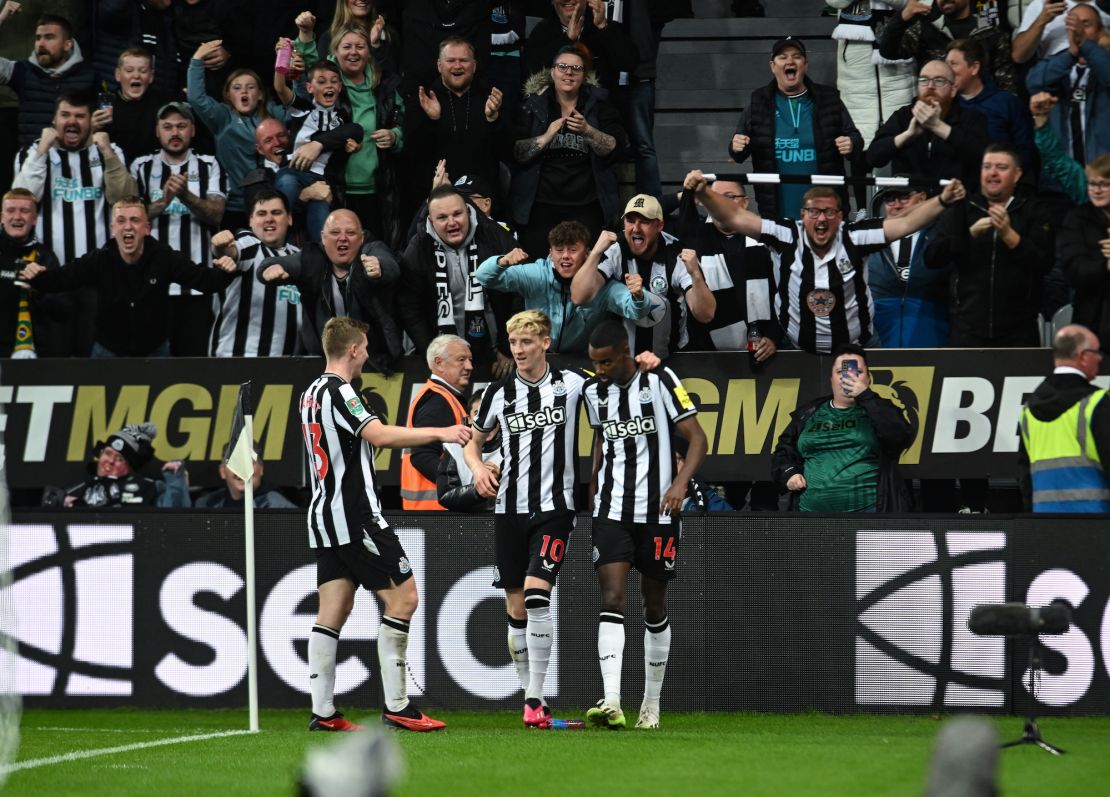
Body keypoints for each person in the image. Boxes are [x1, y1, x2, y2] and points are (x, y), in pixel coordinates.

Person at [300, 315, 470, 733]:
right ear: (354, 349)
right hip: (357, 516)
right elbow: (379, 437)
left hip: (324, 514)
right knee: (404, 599)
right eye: (366, 347)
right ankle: (398, 705)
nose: (369, 355)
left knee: (333, 610)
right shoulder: (341, 391)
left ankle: (323, 713)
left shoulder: (309, 393)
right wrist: (442, 433)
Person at [462, 310, 592, 729]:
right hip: (508, 509)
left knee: (538, 595)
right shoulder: (499, 393)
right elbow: (474, 442)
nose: (518, 350)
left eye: (527, 342)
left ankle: (535, 697)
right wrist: (479, 468)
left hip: (555, 507)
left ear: (545, 343)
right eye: (514, 343)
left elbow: (615, 391)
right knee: (516, 606)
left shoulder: (572, 383)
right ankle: (532, 703)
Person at [684, 169, 966, 354]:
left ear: (841, 217)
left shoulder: (856, 236)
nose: (821, 219)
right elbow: (735, 217)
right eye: (814, 212)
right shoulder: (786, 233)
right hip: (797, 350)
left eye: (829, 212)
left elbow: (905, 223)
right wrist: (704, 193)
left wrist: (943, 200)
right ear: (802, 214)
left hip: (858, 348)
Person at [581, 319, 707, 731]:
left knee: (653, 604)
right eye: (594, 363)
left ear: (625, 352)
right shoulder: (592, 393)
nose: (600, 370)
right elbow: (600, 444)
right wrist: (593, 493)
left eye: (606, 361)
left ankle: (651, 704)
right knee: (612, 598)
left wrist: (680, 483)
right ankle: (613, 700)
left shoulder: (660, 380)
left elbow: (698, 438)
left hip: (659, 515)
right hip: (612, 511)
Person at [17, 197, 238, 358]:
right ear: (113, 229)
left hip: (155, 351)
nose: (128, 226)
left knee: (157, 421)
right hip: (107, 352)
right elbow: (61, 279)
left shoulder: (163, 256)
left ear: (146, 228)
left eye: (134, 220)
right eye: (121, 221)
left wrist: (226, 268)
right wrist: (36, 277)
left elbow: (205, 281)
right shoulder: (100, 259)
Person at [924, 143, 1054, 347]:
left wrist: (1009, 235)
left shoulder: (1035, 210)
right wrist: (969, 235)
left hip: (1019, 330)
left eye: (1001, 168)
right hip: (967, 328)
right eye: (987, 167)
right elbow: (931, 257)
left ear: (1017, 174)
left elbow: (1044, 262)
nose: (992, 173)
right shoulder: (962, 208)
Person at [509, 44, 626, 259]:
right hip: (540, 206)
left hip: (587, 205)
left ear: (584, 75)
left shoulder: (599, 105)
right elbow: (516, 153)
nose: (569, 72)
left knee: (586, 269)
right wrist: (545, 138)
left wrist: (587, 131)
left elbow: (614, 147)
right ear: (552, 72)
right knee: (540, 269)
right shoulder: (531, 106)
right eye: (562, 67)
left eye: (576, 68)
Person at [729, 36, 864, 220]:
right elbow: (738, 152)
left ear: (805, 65)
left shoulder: (829, 99)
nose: (790, 61)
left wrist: (852, 143)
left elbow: (855, 138)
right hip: (777, 214)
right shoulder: (758, 101)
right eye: (783, 57)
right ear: (772, 66)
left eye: (797, 56)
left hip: (826, 214)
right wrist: (736, 145)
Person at [131, 101, 227, 356]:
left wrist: (186, 196)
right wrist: (164, 201)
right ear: (157, 131)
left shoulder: (209, 164)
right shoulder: (141, 166)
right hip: (151, 285)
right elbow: (131, 220)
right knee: (150, 360)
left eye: (181, 126)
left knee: (193, 360)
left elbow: (216, 214)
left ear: (192, 130)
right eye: (168, 127)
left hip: (197, 285)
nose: (175, 132)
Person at [476, 219, 658, 354]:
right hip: (539, 360)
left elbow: (637, 311)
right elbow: (484, 276)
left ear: (587, 254)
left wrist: (638, 296)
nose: (565, 256)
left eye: (572, 250)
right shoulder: (536, 275)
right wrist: (502, 261)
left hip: (582, 364)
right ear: (550, 253)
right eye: (559, 250)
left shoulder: (599, 284)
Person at [771, 343, 914, 512]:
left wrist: (866, 396)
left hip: (868, 513)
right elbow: (783, 451)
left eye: (857, 372)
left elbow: (900, 436)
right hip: (810, 515)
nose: (848, 377)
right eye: (841, 372)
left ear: (868, 379)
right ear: (831, 379)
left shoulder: (879, 410)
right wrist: (789, 473)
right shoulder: (808, 413)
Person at [570, 194, 716, 358]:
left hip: (673, 358)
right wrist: (596, 252)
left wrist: (696, 274)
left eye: (645, 222)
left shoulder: (677, 254)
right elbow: (578, 297)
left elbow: (705, 315)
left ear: (659, 225)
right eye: (630, 221)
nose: (636, 228)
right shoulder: (615, 249)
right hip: (625, 360)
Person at [259, 208, 401, 369]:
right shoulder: (312, 258)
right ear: (323, 238)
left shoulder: (371, 251)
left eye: (351, 233)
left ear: (362, 238)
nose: (343, 238)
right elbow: (285, 263)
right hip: (323, 361)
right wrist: (269, 267)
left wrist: (380, 267)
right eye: (335, 232)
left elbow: (390, 265)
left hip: (375, 361)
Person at [397, 185, 517, 375]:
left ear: (468, 212)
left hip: (496, 355)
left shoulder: (494, 236)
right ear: (431, 221)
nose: (452, 222)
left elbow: (517, 295)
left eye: (457, 214)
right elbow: (410, 308)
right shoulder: (418, 248)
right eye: (442, 218)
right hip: (445, 359)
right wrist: (433, 355)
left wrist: (508, 346)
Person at [12, 91, 137, 265]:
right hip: (47, 269)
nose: (72, 121)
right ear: (54, 120)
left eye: (80, 116)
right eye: (65, 115)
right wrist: (41, 152)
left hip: (99, 270)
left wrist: (108, 153)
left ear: (91, 122)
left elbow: (125, 201)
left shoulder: (110, 151)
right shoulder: (31, 153)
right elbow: (21, 203)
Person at [187, 42, 287, 231]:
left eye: (250, 87)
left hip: (273, 205)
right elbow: (196, 98)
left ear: (259, 95)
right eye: (237, 87)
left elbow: (298, 111)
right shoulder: (222, 118)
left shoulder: (273, 114)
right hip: (234, 207)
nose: (244, 91)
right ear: (227, 95)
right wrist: (197, 59)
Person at [408, 37, 507, 211]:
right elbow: (411, 153)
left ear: (474, 66)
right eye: (451, 61)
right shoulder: (424, 98)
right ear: (439, 65)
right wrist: (431, 121)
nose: (457, 66)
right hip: (437, 199)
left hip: (483, 199)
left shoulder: (491, 98)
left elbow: (507, 151)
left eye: (463, 60)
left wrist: (494, 120)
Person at [272, 57, 365, 242]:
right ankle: (274, 232)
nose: (328, 86)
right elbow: (280, 88)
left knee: (324, 227)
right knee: (287, 184)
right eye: (321, 82)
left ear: (339, 87)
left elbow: (356, 131)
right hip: (294, 171)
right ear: (309, 88)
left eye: (333, 81)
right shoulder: (303, 108)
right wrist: (282, 60)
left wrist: (352, 147)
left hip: (321, 181)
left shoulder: (342, 118)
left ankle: (323, 256)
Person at [1019, 324, 1110, 511]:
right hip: (1096, 523)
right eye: (1096, 352)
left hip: (1047, 523)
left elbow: (1025, 475)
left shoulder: (1028, 409)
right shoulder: (1097, 403)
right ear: (1083, 356)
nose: (1100, 359)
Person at [867, 59, 990, 190]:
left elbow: (982, 156)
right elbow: (873, 157)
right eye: (924, 80)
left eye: (939, 80)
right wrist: (907, 135)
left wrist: (938, 126)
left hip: (956, 200)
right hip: (910, 201)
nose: (930, 86)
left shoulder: (972, 118)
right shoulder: (903, 116)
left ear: (953, 89)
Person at [208, 188, 302, 357]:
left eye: (276, 213)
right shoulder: (250, 245)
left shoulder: (300, 256)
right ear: (251, 220)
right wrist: (219, 246)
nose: (269, 219)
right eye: (261, 214)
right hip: (238, 360)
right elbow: (231, 251)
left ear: (289, 218)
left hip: (288, 367)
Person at [1026, 3, 1110, 169]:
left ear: (1101, 31)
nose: (1078, 31)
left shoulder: (1104, 66)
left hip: (1104, 178)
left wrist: (1086, 45)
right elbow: (1034, 81)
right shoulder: (1059, 66)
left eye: (1085, 24)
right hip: (1061, 182)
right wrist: (1070, 54)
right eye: (1073, 25)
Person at [868, 187, 951, 347]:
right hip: (880, 339)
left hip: (931, 334)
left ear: (922, 197)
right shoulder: (869, 239)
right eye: (890, 199)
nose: (896, 205)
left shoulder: (941, 237)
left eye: (904, 198)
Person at [877, 0, 1018, 94]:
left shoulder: (990, 33)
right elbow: (888, 51)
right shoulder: (925, 29)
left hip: (981, 114)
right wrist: (902, 17)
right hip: (936, 110)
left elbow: (1006, 84)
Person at [400, 334, 473, 510]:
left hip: (433, 512)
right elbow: (422, 456)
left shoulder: (441, 396)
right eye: (461, 360)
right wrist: (459, 485)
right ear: (439, 363)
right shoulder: (437, 400)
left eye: (470, 360)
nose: (470, 366)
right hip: (438, 513)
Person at [0, 13, 95, 147]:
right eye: (38, 38)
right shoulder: (22, 71)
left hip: (74, 161)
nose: (41, 44)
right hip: (33, 161)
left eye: (49, 38)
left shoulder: (89, 76)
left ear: (67, 45)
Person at [946, 38, 1036, 176]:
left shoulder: (1007, 103)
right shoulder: (946, 106)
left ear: (974, 68)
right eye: (946, 64)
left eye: (954, 64)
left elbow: (1026, 150)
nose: (947, 71)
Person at [59, 422, 190, 509]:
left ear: (131, 467)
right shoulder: (75, 490)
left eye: (119, 459)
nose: (110, 461)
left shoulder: (149, 489)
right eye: (108, 453)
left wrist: (176, 481)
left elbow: (174, 519)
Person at [522, 0, 639, 94]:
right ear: (552, 1)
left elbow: (628, 63)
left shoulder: (606, 27)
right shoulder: (542, 31)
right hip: (553, 111)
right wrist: (567, 39)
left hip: (600, 112)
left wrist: (603, 27)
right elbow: (530, 69)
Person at [0, 188, 63, 358]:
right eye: (11, 210)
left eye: (25, 211)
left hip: (37, 356)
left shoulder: (46, 257)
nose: (17, 217)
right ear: (1, 217)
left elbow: (61, 311)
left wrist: (40, 288)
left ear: (34, 219)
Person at [1058, 153, 1110, 343]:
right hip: (1091, 325)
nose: (1096, 190)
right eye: (1092, 184)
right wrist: (1105, 266)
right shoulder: (1077, 219)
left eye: (1104, 184)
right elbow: (1073, 271)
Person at [104, 47, 177, 165]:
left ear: (151, 76)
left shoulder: (164, 105)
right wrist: (92, 128)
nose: (136, 76)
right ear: (118, 74)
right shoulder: (106, 106)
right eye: (129, 70)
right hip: (118, 174)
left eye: (143, 71)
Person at [436, 388, 502, 513]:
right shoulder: (454, 448)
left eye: (491, 413)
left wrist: (501, 480)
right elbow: (445, 497)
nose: (485, 421)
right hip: (465, 527)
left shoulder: (515, 446)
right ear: (469, 419)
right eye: (478, 413)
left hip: (505, 525)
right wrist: (481, 487)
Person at [195, 442, 297, 509]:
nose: (242, 470)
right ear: (222, 471)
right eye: (235, 463)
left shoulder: (279, 507)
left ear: (261, 469)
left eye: (249, 462)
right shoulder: (205, 505)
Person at [1012, 0, 1110, 65]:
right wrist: (1041, 21)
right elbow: (1019, 56)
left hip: (1098, 76)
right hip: (1054, 79)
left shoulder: (1105, 5)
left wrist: (1091, 35)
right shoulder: (1041, 5)